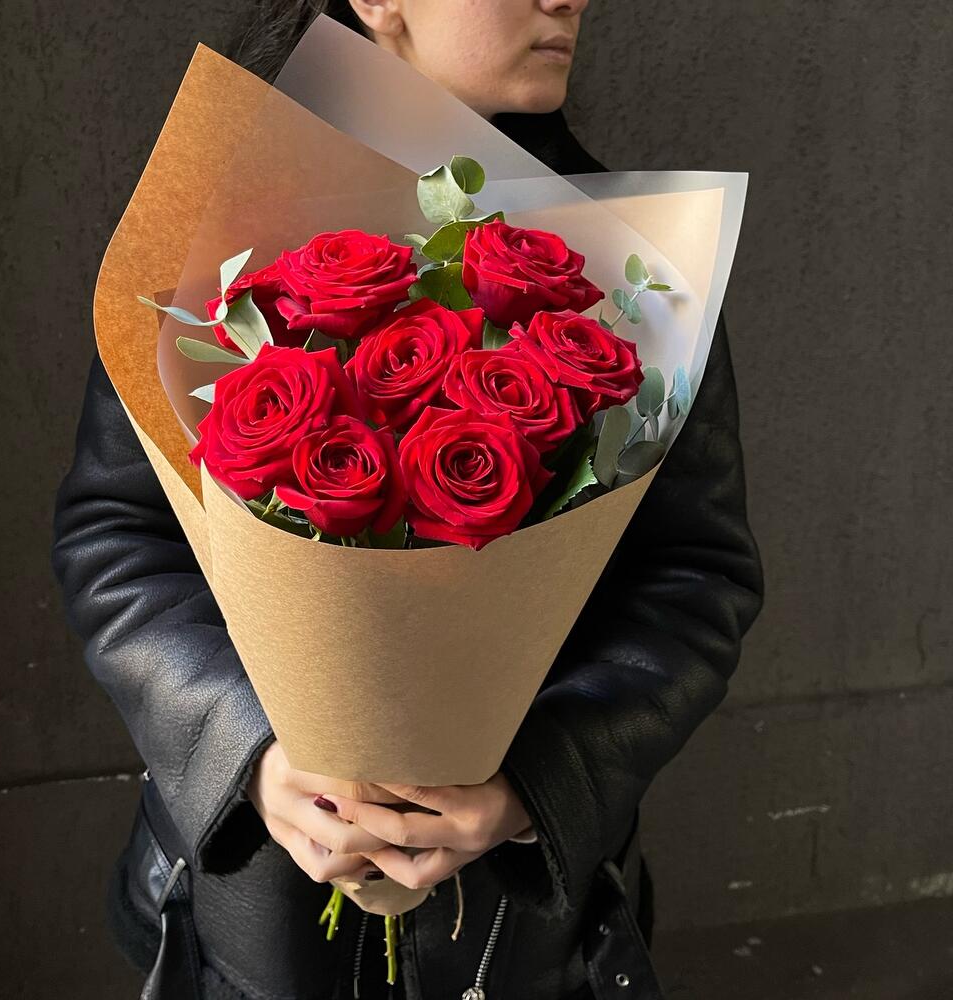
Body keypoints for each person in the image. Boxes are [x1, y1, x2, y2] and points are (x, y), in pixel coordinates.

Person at [50, 1, 765, 998]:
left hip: (526, 939)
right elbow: (116, 532)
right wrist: (251, 757)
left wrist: (534, 787)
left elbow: (698, 576)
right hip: (249, 924)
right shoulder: (222, 219)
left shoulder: (634, 271)